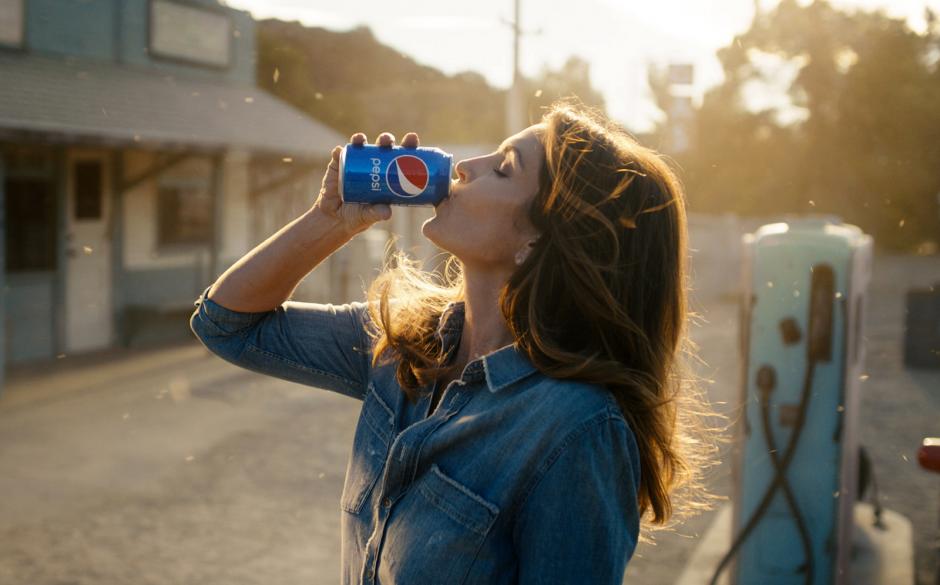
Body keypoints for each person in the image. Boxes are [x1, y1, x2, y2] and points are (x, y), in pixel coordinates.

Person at [190, 100, 720, 584]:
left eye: (504, 167)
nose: (466, 166)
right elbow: (227, 325)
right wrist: (328, 222)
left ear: (538, 241)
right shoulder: (402, 343)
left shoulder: (575, 430)